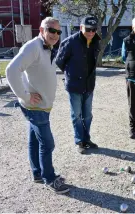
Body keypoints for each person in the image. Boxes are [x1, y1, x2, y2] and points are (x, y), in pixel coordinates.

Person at [5, 17, 69, 194]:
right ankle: (49, 178)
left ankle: (37, 173)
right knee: (48, 144)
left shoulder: (50, 46)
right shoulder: (33, 47)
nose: (55, 35)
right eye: (51, 30)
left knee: (34, 140)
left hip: (42, 106)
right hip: (35, 107)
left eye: (58, 32)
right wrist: (24, 95)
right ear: (41, 30)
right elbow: (11, 70)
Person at [55, 16, 101, 154]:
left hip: (89, 85)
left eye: (94, 29)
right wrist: (71, 74)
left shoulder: (96, 41)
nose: (91, 32)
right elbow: (59, 61)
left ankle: (86, 139)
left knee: (87, 115)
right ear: (81, 27)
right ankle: (79, 140)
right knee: (76, 115)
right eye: (88, 29)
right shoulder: (70, 42)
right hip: (74, 85)